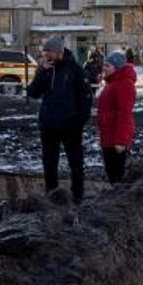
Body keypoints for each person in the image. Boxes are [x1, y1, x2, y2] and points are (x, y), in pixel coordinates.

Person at [26, 36, 91, 203]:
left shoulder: (75, 70)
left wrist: (78, 122)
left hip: (70, 125)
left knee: (75, 163)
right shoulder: (46, 70)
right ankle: (52, 194)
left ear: (58, 52)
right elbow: (33, 92)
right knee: (49, 163)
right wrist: (42, 72)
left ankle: (78, 196)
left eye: (49, 52)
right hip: (48, 125)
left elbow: (85, 99)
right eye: (44, 52)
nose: (45, 56)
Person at [96, 51, 137, 183]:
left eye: (107, 66)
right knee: (112, 174)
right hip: (108, 136)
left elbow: (125, 113)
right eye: (104, 65)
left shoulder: (124, 84)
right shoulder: (112, 83)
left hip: (116, 139)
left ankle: (122, 202)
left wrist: (121, 141)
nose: (104, 68)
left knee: (117, 176)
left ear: (117, 67)